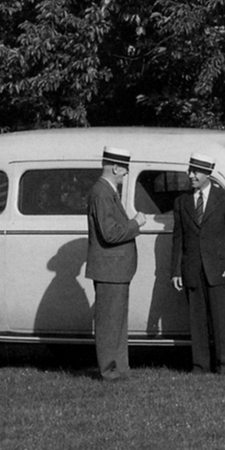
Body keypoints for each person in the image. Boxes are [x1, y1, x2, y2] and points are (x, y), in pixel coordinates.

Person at [171, 152, 225, 374]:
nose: (190, 175)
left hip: (218, 270)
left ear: (207, 174)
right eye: (190, 171)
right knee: (197, 321)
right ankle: (199, 366)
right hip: (192, 269)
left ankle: (223, 366)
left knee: (221, 320)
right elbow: (178, 238)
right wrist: (176, 271)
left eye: (195, 172)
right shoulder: (181, 202)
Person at [87, 145, 144, 381]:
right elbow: (109, 233)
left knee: (118, 323)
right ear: (115, 167)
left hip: (116, 271)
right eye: (124, 169)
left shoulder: (107, 192)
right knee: (110, 324)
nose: (125, 174)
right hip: (110, 270)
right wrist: (135, 223)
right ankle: (110, 370)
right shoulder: (101, 193)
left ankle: (119, 368)